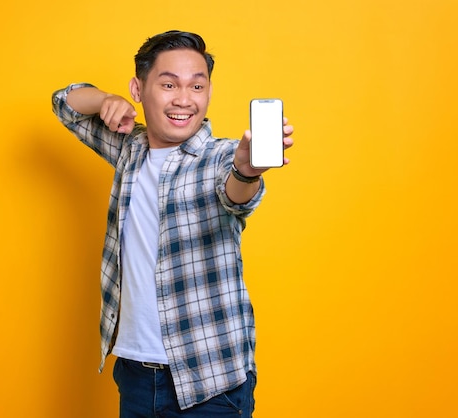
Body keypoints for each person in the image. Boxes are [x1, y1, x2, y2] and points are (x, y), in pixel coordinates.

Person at [52, 30, 294, 417]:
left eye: (197, 86)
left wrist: (248, 172)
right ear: (138, 88)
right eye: (169, 84)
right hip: (133, 374)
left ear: (209, 92)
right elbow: (64, 102)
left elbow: (235, 194)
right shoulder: (129, 148)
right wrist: (105, 100)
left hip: (210, 382)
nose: (184, 99)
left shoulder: (222, 157)